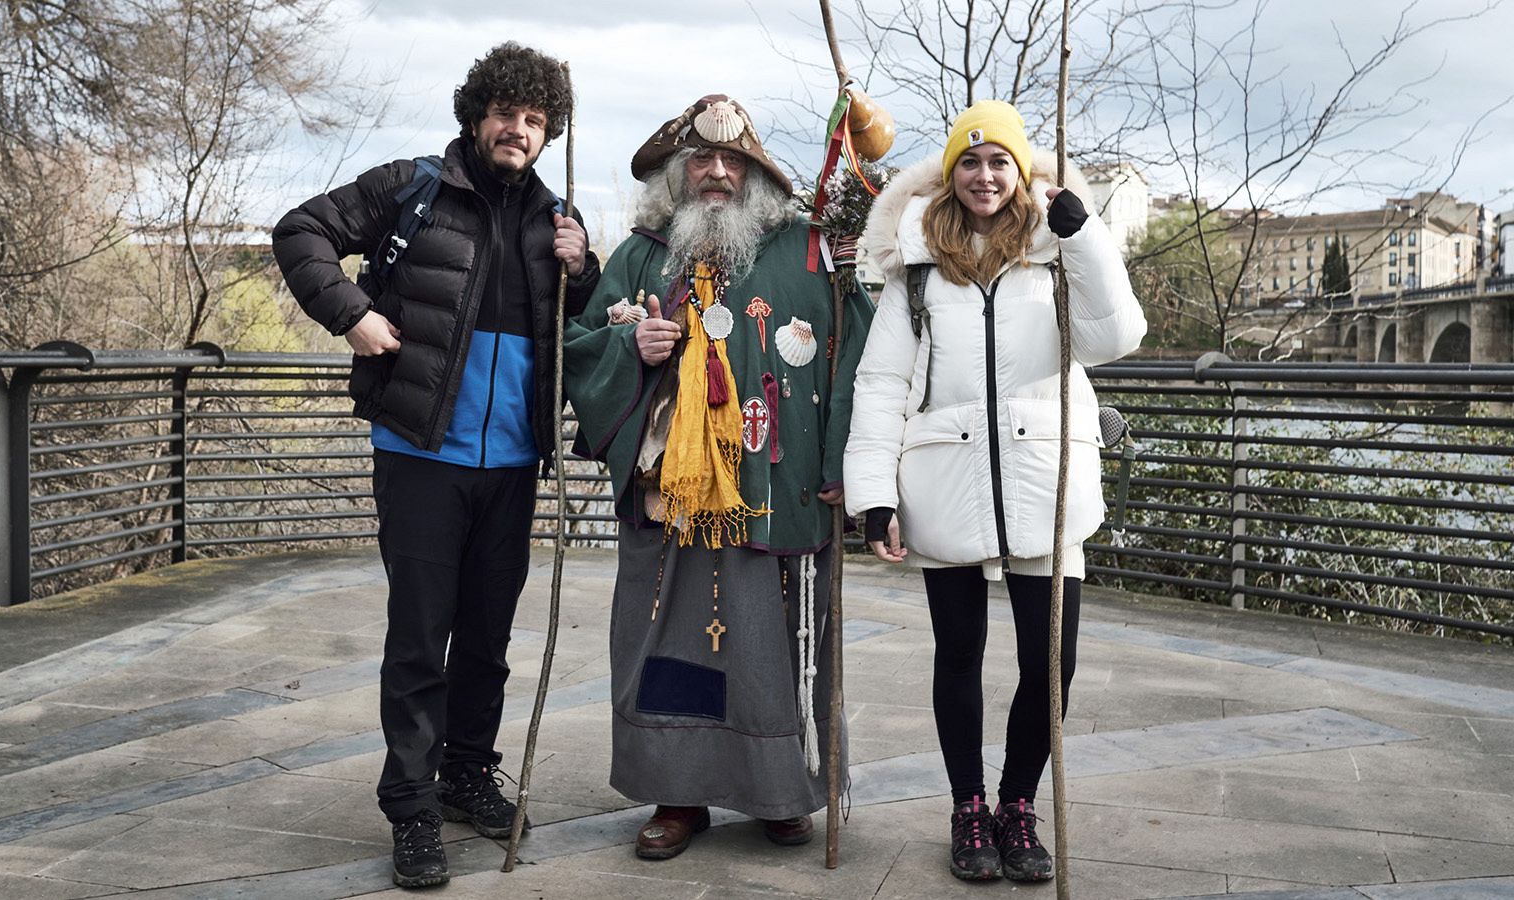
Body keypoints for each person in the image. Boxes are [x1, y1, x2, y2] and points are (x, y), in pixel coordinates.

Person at [271, 43, 599, 890]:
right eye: (505, 113)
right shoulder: (410, 185)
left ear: (548, 130)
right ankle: (412, 809)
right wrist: (350, 316)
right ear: (475, 113)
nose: (517, 130)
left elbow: (579, 325)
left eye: (534, 120)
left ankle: (464, 775)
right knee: (421, 638)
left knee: (488, 635)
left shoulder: (555, 219)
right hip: (420, 450)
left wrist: (584, 267)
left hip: (513, 462)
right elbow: (301, 229)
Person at [563, 94, 874, 861]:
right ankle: (678, 797)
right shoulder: (641, 254)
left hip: (777, 494)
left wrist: (845, 464)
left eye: (731, 159)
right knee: (672, 644)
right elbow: (581, 344)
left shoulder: (814, 252)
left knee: (775, 645)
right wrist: (631, 350)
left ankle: (779, 791)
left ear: (756, 173)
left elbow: (863, 356)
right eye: (699, 159)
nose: (714, 171)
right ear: (678, 172)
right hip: (671, 499)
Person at [843, 100, 1146, 884]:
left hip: (1047, 484)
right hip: (946, 480)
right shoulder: (915, 268)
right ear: (951, 174)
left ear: (1022, 173)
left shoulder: (1057, 255)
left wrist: (1084, 236)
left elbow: (1115, 338)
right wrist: (874, 493)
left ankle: (1019, 802)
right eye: (970, 162)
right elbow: (879, 385)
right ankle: (968, 806)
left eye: (999, 162)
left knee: (1053, 666)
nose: (984, 176)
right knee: (960, 656)